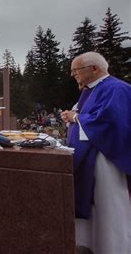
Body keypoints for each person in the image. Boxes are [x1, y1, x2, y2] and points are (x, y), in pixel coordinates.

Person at [61, 52, 130, 253]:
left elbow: (109, 122)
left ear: (94, 69)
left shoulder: (116, 89)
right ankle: (91, 245)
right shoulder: (92, 90)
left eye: (76, 70)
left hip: (105, 160)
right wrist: (72, 116)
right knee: (94, 206)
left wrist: (76, 117)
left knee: (107, 207)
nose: (73, 74)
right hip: (89, 157)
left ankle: (114, 247)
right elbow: (87, 116)